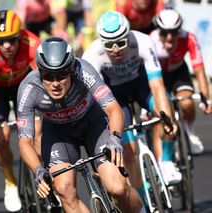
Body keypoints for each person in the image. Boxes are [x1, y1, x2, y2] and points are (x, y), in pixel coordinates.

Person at [17, 37, 144, 213]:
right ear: (39, 72)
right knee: (64, 191)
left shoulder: (83, 70)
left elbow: (114, 110)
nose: (55, 82)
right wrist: (38, 170)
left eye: (61, 74)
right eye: (48, 75)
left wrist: (115, 138)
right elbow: (25, 141)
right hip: (59, 134)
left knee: (118, 188)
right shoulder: (28, 88)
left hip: (94, 123)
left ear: (70, 70)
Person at [82, 11, 179, 201]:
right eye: (110, 45)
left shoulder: (142, 42)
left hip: (141, 86)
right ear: (102, 42)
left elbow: (157, 85)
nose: (116, 49)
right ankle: (141, 201)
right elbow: (102, 104)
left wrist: (166, 117)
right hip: (114, 96)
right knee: (128, 154)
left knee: (166, 108)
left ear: (128, 35)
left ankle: (166, 160)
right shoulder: (92, 55)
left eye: (121, 42)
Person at [0, 9, 41, 212]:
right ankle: (10, 180)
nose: (7, 46)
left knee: (38, 131)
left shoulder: (33, 43)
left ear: (20, 35)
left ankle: (41, 171)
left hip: (25, 86)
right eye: (1, 41)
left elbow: (45, 85)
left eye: (11, 40)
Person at [150, 8, 212, 154]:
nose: (170, 37)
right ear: (158, 30)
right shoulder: (151, 40)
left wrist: (206, 98)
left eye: (174, 32)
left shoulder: (189, 37)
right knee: (162, 112)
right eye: (164, 32)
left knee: (187, 103)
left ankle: (190, 133)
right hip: (157, 76)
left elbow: (199, 69)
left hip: (178, 72)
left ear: (180, 30)